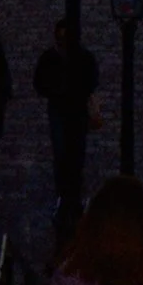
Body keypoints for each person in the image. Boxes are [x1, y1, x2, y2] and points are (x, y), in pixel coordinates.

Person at [33, 15, 101, 224]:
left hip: (71, 109)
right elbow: (39, 83)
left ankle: (71, 195)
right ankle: (67, 195)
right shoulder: (64, 58)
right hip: (63, 109)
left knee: (73, 153)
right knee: (64, 153)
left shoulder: (75, 58)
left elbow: (91, 79)